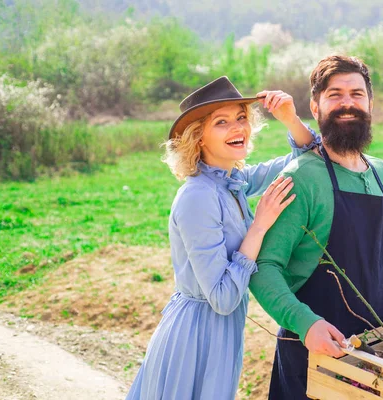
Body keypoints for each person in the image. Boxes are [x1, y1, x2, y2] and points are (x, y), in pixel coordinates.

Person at [248, 55, 383, 399]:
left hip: (374, 352)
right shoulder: (300, 178)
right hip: (312, 353)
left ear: (370, 104)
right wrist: (306, 325)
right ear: (315, 107)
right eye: (334, 95)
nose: (347, 103)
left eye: (356, 94)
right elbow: (263, 268)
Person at [125, 76, 320, 400]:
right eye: (222, 122)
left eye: (241, 117)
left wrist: (288, 116)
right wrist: (259, 226)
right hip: (195, 336)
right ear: (198, 136)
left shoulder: (233, 180)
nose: (237, 128)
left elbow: (307, 155)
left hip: (221, 335)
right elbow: (223, 297)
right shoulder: (198, 197)